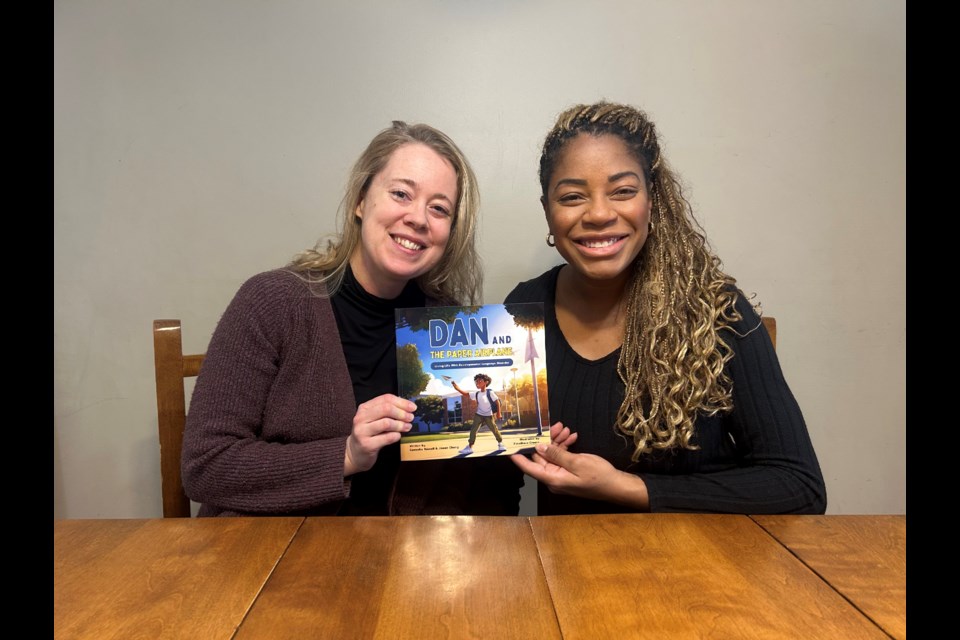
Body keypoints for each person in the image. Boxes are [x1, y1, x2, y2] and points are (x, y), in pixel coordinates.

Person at [182, 121, 523, 517]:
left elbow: (475, 486)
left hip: (404, 562)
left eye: (439, 208)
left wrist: (523, 443)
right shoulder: (273, 302)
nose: (418, 218)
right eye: (400, 193)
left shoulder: (449, 329)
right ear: (361, 201)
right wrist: (344, 455)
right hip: (271, 558)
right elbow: (205, 466)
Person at [506, 102, 826, 515]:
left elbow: (800, 486)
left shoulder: (715, 311)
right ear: (548, 211)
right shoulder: (520, 312)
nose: (600, 214)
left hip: (705, 567)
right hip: (568, 570)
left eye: (623, 191)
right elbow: (493, 479)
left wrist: (628, 488)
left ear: (652, 199)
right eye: (572, 196)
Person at [450, 373, 505, 455]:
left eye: (479, 381)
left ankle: (500, 443)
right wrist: (457, 388)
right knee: (473, 430)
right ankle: (469, 448)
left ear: (486, 382)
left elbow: (497, 402)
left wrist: (498, 413)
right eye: (476, 381)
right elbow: (465, 394)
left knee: (494, 429)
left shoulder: (490, 392)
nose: (477, 383)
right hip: (478, 415)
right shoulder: (476, 394)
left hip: (489, 415)